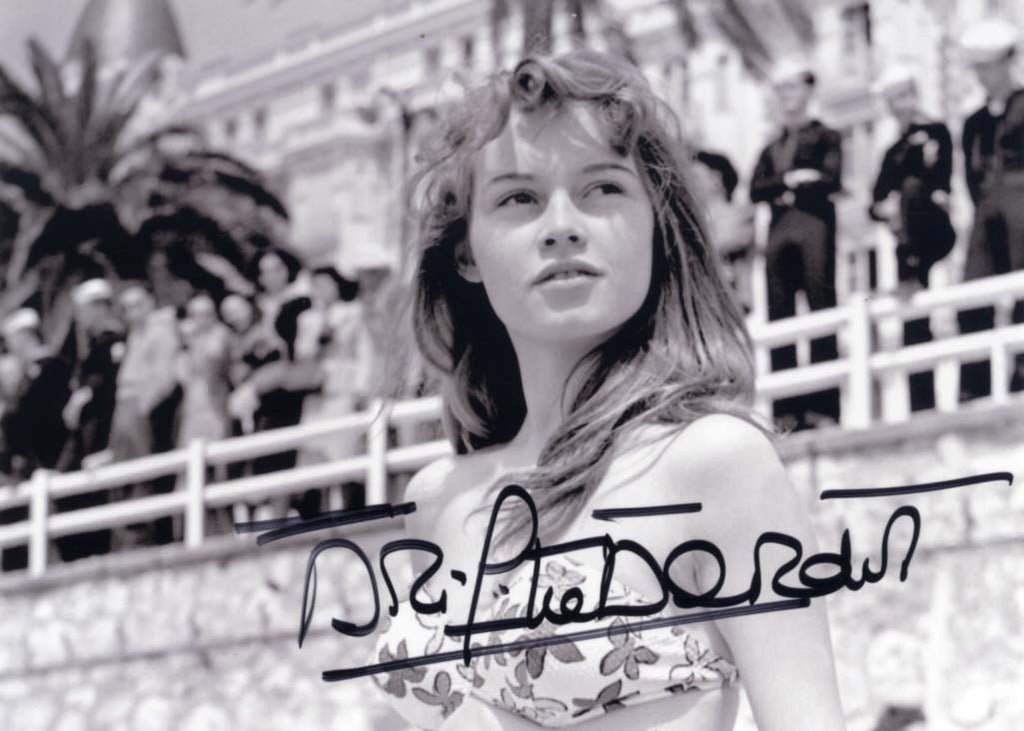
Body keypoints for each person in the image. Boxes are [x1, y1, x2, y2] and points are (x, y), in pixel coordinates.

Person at [367, 49, 845, 730]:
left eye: (602, 189)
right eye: (519, 198)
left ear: (656, 226)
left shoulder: (711, 463)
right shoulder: (435, 498)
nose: (563, 224)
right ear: (466, 251)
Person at [750, 57, 843, 430]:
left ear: (808, 90)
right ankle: (786, 413)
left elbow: (830, 179)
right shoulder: (772, 147)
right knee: (779, 311)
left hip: (814, 228)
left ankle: (824, 409)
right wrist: (791, 180)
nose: (785, 96)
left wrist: (788, 186)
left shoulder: (827, 136)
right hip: (779, 234)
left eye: (792, 87)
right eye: (780, 89)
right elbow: (756, 188)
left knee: (820, 309)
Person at [869, 66, 956, 412]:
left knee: (911, 190)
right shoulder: (892, 151)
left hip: (932, 231)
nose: (900, 105)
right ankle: (922, 402)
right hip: (906, 243)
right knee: (914, 323)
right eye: (893, 100)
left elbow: (937, 178)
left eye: (904, 96)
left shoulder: (935, 132)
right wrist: (886, 209)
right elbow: (874, 201)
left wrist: (903, 199)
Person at [956, 18, 1024, 399]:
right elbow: (971, 174)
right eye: (978, 68)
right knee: (974, 289)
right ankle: (975, 384)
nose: (983, 76)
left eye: (989, 66)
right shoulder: (974, 122)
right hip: (986, 209)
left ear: (1007, 62)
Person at [55, 279, 125, 561]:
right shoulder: (94, 347)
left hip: (104, 440)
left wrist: (84, 396)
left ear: (98, 307)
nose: (80, 317)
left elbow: (108, 390)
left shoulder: (113, 343)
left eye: (83, 309)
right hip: (89, 442)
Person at [693, 149, 755, 314]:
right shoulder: (697, 222)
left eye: (696, 178)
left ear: (716, 180)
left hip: (733, 304)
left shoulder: (742, 215)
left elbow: (725, 242)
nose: (690, 184)